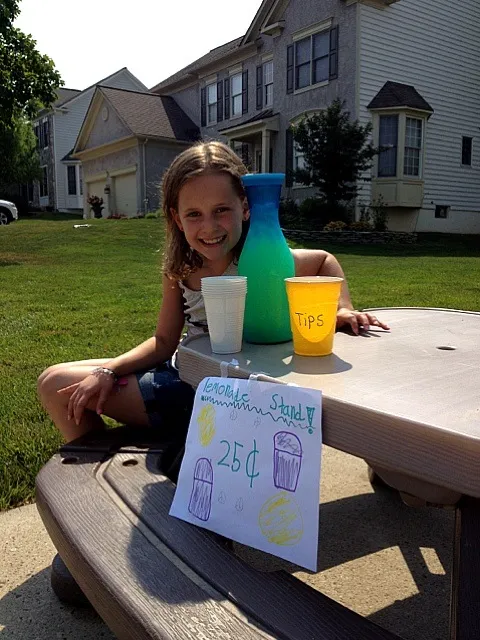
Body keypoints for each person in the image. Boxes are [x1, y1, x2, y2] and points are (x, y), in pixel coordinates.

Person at [37, 141, 389, 444]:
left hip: (215, 394)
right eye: (194, 214)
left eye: (221, 210)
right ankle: (106, 460)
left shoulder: (263, 262)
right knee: (51, 381)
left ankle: (152, 448)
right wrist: (110, 371)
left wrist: (340, 310)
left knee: (57, 386)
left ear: (245, 207)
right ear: (176, 218)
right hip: (181, 372)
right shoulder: (181, 270)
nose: (209, 227)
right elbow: (163, 341)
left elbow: (324, 261)